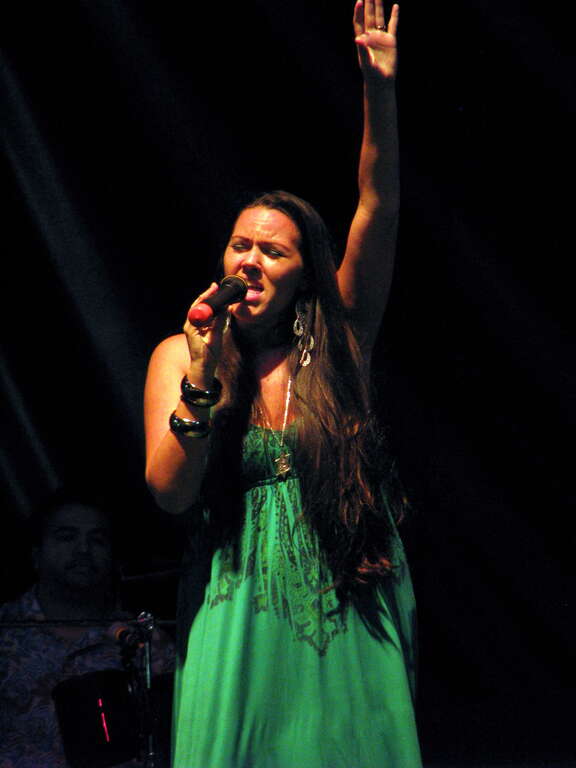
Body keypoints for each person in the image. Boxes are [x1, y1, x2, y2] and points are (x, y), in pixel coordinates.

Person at [144, 1, 421, 765]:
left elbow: (379, 205)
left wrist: (379, 90)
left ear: (306, 275)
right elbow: (170, 492)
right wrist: (202, 375)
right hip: (237, 613)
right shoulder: (178, 356)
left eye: (273, 252)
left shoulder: (340, 345)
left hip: (344, 604)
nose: (251, 261)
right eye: (241, 245)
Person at [0, 488, 175, 768]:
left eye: (97, 540)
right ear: (36, 554)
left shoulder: (143, 639)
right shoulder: (7, 629)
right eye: (67, 537)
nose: (83, 549)